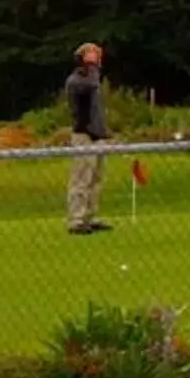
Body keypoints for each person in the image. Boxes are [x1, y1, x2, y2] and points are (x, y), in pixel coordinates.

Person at [64, 43, 112, 235]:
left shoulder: (94, 80)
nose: (97, 61)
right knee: (82, 178)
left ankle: (90, 216)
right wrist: (91, 65)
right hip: (83, 134)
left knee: (97, 178)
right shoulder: (76, 80)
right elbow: (90, 85)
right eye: (93, 57)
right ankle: (76, 219)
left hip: (97, 135)